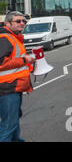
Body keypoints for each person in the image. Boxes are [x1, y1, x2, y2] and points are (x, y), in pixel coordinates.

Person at [0, 11, 35, 142]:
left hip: (13, 86)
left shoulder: (14, 37)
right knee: (8, 125)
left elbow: (15, 60)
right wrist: (25, 60)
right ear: (7, 23)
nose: (22, 23)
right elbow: (1, 62)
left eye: (23, 21)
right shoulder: (5, 38)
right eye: (18, 21)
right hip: (7, 88)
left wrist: (30, 63)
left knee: (13, 122)